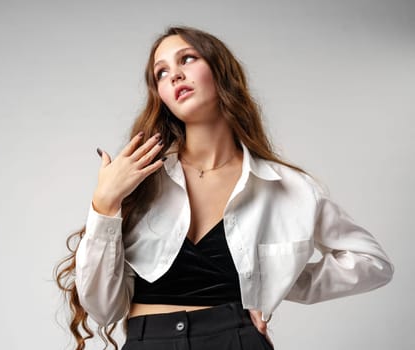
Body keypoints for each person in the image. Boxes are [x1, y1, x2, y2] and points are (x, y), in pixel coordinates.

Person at [55, 26, 394, 350]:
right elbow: (101, 308)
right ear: (160, 95)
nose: (174, 75)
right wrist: (104, 202)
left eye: (187, 59)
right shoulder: (141, 180)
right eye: (161, 72)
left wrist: (274, 278)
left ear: (220, 71)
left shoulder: (287, 188)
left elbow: (372, 263)